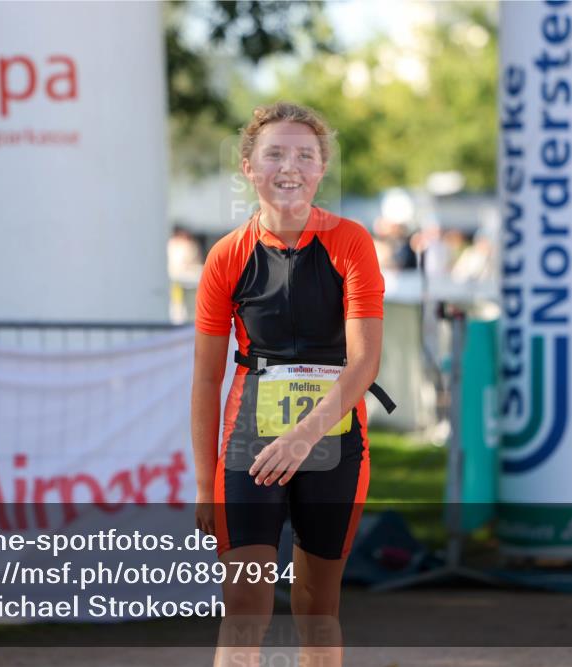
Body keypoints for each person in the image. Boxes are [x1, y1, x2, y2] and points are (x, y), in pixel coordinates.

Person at [190, 102, 393, 667]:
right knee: (246, 610)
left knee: (317, 608)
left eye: (305, 155)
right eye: (274, 153)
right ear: (248, 168)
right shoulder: (227, 256)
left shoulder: (351, 241)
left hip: (331, 444)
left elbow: (363, 362)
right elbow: (206, 377)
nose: (290, 167)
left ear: (321, 168)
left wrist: (304, 435)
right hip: (248, 448)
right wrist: (205, 483)